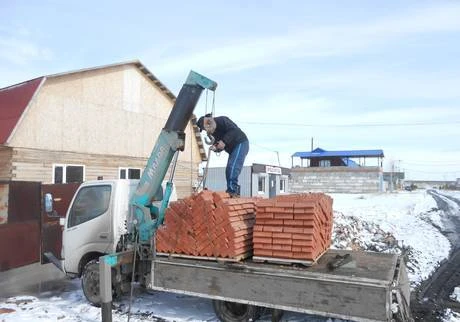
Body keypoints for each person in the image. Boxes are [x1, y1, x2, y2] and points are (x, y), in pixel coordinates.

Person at [196, 113, 249, 197]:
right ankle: (233, 191)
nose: (206, 130)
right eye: (204, 129)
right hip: (232, 149)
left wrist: (224, 141)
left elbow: (234, 131)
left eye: (205, 128)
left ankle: (232, 191)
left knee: (232, 166)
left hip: (241, 142)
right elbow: (220, 145)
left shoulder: (222, 120)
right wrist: (216, 148)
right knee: (228, 170)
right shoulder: (213, 133)